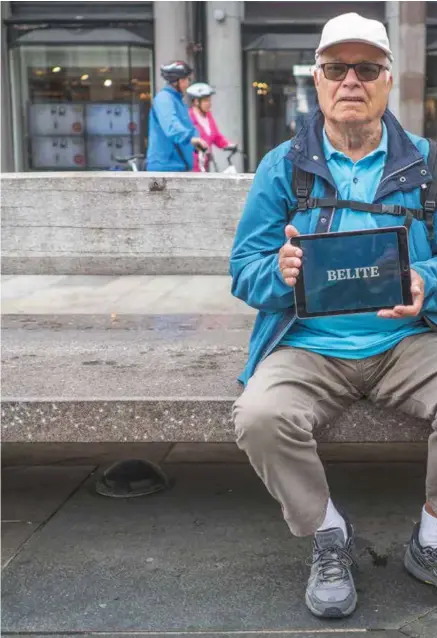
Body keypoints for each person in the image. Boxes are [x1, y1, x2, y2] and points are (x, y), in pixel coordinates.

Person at [230, 12, 437, 619]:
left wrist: (429, 280)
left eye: (366, 68)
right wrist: (281, 272)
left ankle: (430, 538)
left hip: (407, 338)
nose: (351, 80)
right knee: (261, 415)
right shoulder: (283, 166)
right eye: (336, 69)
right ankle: (328, 535)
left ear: (387, 82)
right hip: (308, 341)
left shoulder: (427, 165)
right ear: (317, 81)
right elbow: (244, 266)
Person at [146, 61, 207, 172]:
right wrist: (191, 139)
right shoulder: (164, 99)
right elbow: (171, 125)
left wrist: (196, 141)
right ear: (177, 81)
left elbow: (189, 126)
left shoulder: (178, 101)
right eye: (187, 79)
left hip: (178, 166)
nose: (188, 83)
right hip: (165, 168)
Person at [187, 82, 237, 172]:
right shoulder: (188, 117)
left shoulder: (208, 116)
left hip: (204, 165)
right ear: (196, 102)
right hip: (192, 167)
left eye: (210, 100)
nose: (209, 103)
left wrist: (227, 144)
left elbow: (216, 136)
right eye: (206, 100)